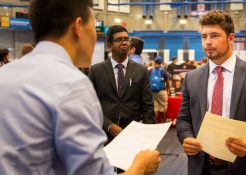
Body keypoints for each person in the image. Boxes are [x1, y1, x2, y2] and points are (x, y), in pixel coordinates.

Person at [0, 0, 160, 175]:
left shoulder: (5, 75)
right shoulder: (72, 85)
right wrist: (142, 167)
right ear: (78, 27)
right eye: (92, 26)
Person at [176, 10, 246, 175]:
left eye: (215, 36)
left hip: (244, 167)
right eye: (204, 36)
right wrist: (186, 138)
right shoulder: (192, 78)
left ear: (231, 38)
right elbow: (183, 120)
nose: (208, 42)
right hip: (201, 167)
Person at [89, 25, 155, 145]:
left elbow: (148, 107)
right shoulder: (95, 71)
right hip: (104, 135)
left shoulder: (141, 71)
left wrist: (149, 139)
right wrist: (109, 126)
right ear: (109, 46)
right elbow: (91, 106)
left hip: (133, 136)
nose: (124, 42)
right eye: (119, 40)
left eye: (126, 39)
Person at [149, 56, 170, 123]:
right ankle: (163, 124)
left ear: (154, 62)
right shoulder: (163, 71)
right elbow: (167, 83)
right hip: (162, 91)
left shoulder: (150, 70)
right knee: (163, 109)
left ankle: (155, 124)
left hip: (152, 92)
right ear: (161, 63)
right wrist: (168, 90)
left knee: (155, 109)